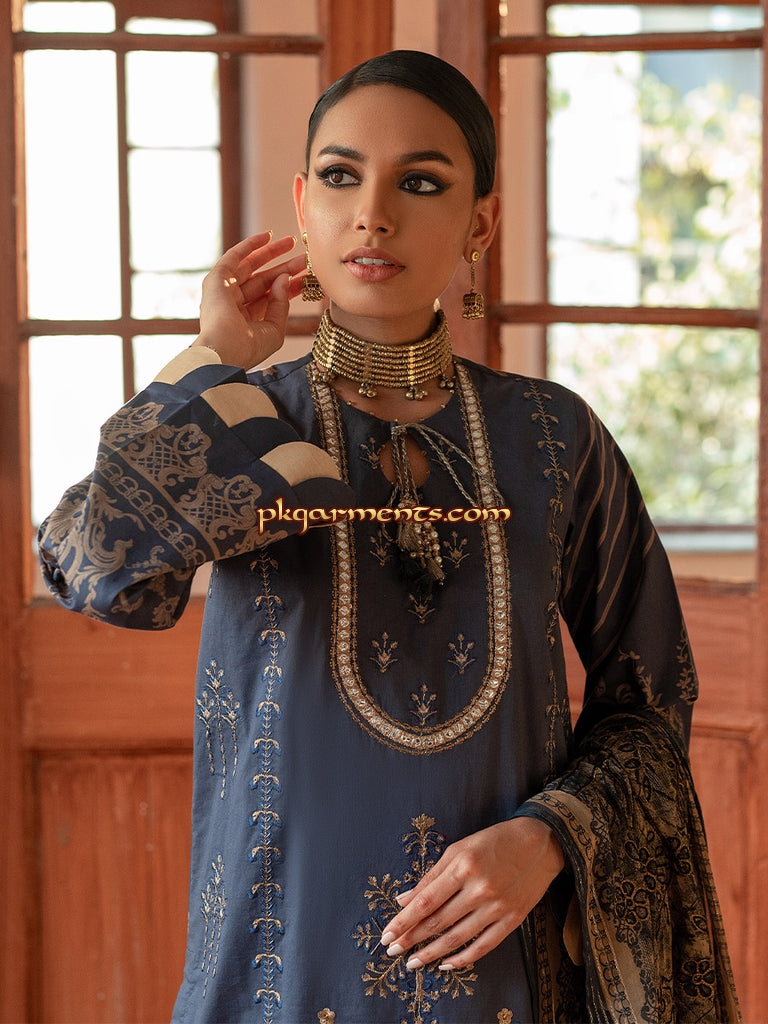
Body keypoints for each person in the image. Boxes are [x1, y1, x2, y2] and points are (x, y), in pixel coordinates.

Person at [38, 50, 740, 1024]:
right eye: (340, 176)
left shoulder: (554, 437)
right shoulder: (243, 424)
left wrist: (549, 837)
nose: (372, 214)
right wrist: (214, 357)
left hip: (508, 973)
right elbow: (93, 567)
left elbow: (651, 699)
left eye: (420, 182)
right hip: (278, 967)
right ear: (302, 205)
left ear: (480, 223)